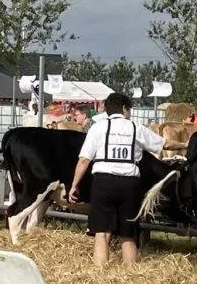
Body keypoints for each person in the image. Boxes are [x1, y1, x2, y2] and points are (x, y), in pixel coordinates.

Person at [68, 92, 166, 268]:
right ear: (124, 109)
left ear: (106, 110)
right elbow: (161, 144)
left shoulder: (97, 128)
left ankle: (100, 274)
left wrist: (74, 185)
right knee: (127, 234)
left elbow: (84, 160)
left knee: (102, 233)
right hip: (129, 184)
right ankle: (129, 276)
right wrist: (186, 144)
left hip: (103, 182)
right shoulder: (136, 128)